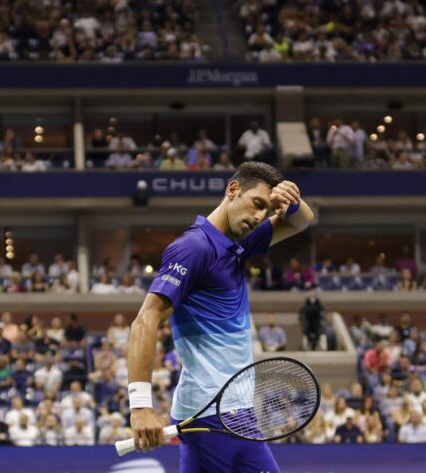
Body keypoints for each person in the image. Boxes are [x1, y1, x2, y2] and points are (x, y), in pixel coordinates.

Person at [127, 162, 314, 471]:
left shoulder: (238, 242)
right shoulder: (193, 248)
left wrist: (292, 199)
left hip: (227, 410)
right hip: (215, 412)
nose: (259, 217)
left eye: (267, 210)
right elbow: (145, 319)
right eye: (257, 204)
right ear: (233, 190)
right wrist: (140, 406)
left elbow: (301, 221)